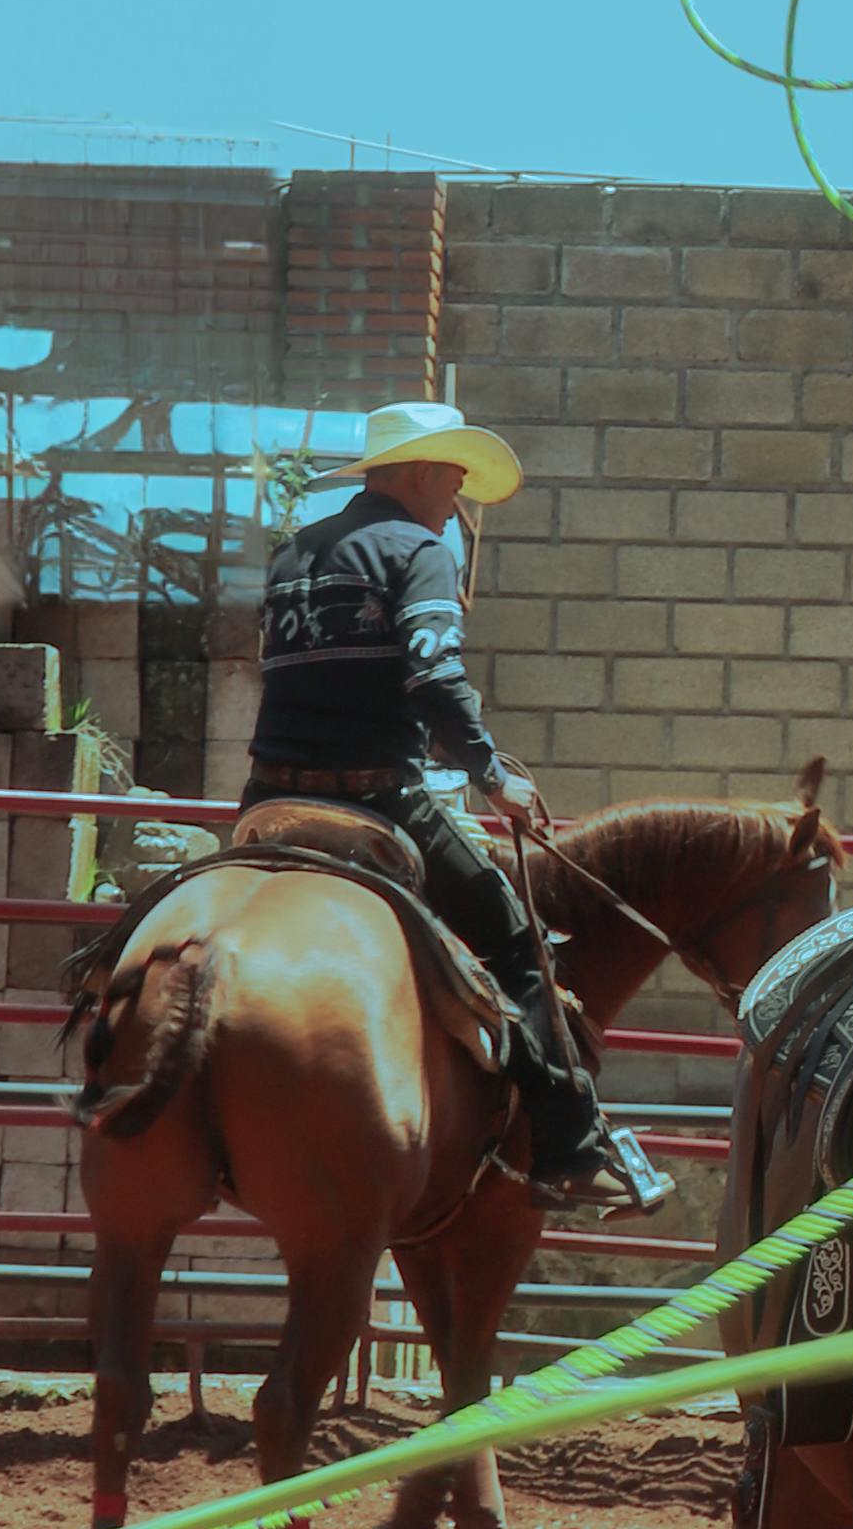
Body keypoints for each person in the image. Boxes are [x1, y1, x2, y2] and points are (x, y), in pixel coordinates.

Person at [239, 401, 666, 1207]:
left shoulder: (294, 550)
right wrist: (493, 775)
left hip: (267, 799)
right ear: (423, 472)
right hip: (377, 797)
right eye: (455, 480)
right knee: (520, 945)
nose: (458, 499)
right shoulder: (419, 550)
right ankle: (571, 1153)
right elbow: (433, 676)